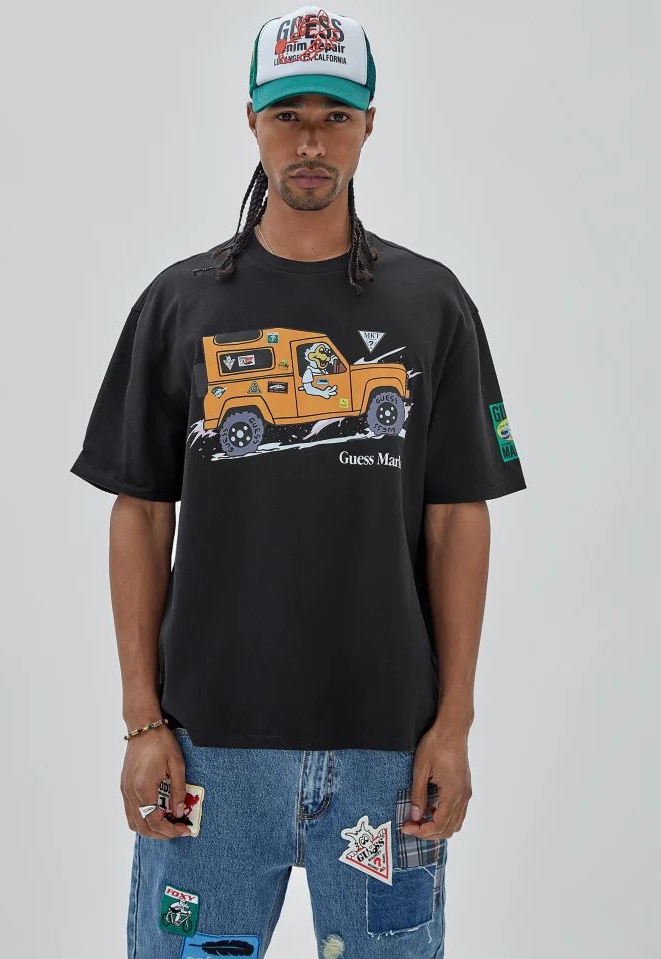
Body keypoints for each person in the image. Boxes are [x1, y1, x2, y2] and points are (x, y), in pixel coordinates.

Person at [70, 6, 527, 958]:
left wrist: (453, 724)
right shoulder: (181, 302)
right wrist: (142, 721)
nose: (311, 142)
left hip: (386, 755)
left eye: (334, 116)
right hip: (208, 748)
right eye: (288, 115)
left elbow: (457, 520)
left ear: (369, 125)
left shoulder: (431, 303)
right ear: (252, 120)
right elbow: (141, 513)